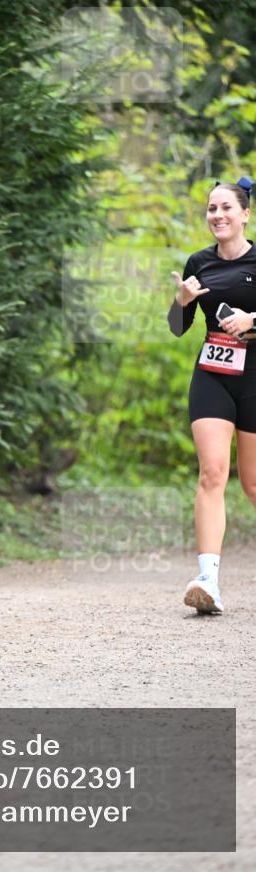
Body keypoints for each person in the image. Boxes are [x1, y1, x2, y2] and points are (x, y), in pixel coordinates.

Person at [168, 175, 256, 614]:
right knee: (212, 472)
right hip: (214, 373)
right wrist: (182, 300)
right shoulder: (198, 262)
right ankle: (208, 581)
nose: (217, 216)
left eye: (225, 208)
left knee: (253, 483)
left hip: (255, 378)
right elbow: (177, 327)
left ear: (245, 214)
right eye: (211, 209)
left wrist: (253, 318)